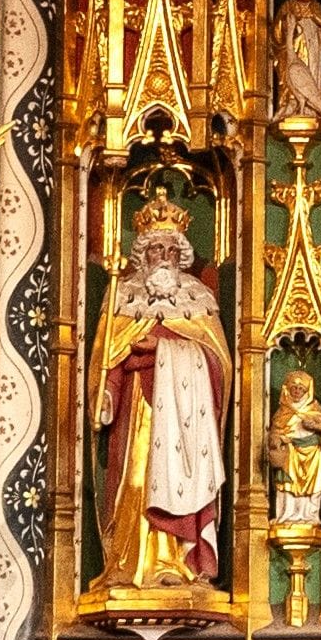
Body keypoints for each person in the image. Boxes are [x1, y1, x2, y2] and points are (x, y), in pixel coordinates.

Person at [92, 182, 237, 600]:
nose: (165, 259)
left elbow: (219, 364)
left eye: (173, 252)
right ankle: (128, 563)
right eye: (157, 251)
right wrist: (106, 394)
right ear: (143, 255)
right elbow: (110, 357)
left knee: (180, 478)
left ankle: (179, 561)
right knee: (135, 481)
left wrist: (165, 348)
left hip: (186, 416)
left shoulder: (199, 298)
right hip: (138, 409)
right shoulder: (123, 295)